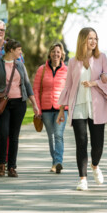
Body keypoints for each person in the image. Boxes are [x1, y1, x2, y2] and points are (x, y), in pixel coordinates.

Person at [57, 27, 107, 190]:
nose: (93, 41)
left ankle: (95, 166)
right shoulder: (73, 61)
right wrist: (62, 109)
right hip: (79, 106)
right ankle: (82, 178)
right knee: (81, 142)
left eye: (95, 38)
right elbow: (68, 86)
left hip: (97, 106)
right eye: (90, 38)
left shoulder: (102, 58)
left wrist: (97, 81)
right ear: (83, 40)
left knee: (98, 145)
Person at [0, 39, 39, 177]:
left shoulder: (20, 65)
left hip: (19, 103)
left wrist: (34, 104)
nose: (20, 52)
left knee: (14, 136)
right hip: (2, 103)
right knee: (3, 133)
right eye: (19, 50)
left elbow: (27, 85)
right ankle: (2, 164)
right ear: (11, 50)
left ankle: (12, 166)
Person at [0, 20, 24, 172]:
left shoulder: (12, 49)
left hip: (11, 97)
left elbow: (22, 71)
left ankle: (7, 160)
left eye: (2, 30)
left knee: (8, 131)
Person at [33, 42, 68, 174]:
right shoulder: (41, 70)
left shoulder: (66, 70)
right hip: (46, 109)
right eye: (53, 51)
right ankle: (55, 162)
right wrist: (38, 109)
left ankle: (58, 162)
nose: (55, 54)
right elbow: (36, 90)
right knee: (51, 136)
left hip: (62, 109)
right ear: (49, 53)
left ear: (62, 54)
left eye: (58, 52)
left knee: (58, 135)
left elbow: (69, 90)